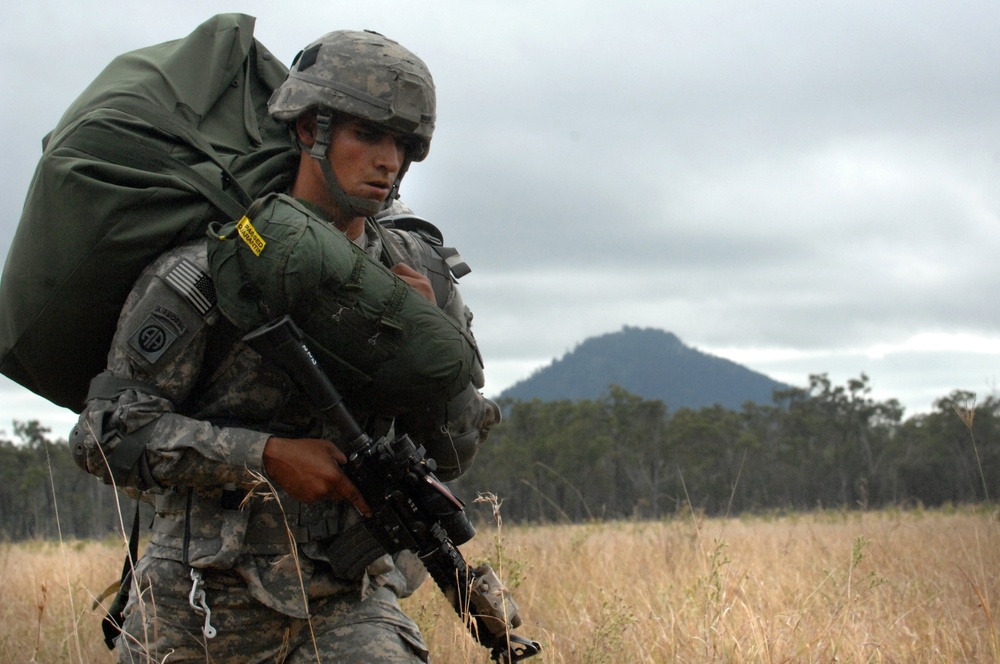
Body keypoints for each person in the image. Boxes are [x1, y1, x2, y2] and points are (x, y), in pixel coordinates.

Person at [72, 28, 498, 663]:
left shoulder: (420, 277)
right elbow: (106, 436)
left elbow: (457, 449)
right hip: (195, 598)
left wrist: (426, 345)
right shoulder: (211, 271)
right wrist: (266, 457)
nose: (389, 161)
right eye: (368, 135)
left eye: (404, 145)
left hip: (347, 597)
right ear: (309, 131)